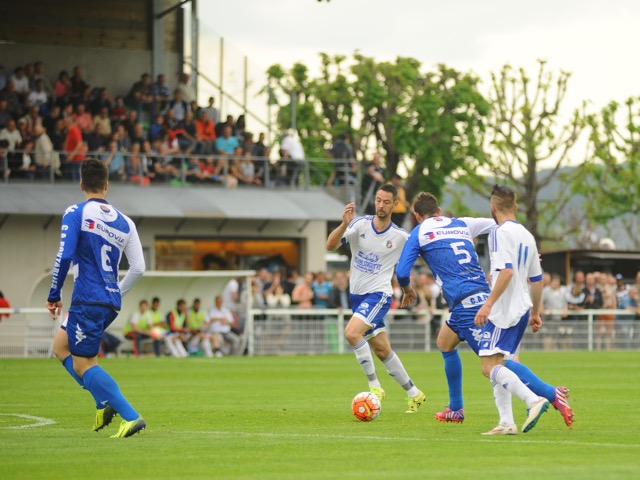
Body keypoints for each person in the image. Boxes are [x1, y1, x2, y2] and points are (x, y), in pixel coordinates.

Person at [396, 191, 573, 431]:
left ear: (417, 216)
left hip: (467, 302)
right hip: (477, 296)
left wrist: (407, 290)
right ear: (439, 211)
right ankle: (456, 408)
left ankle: (549, 393)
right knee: (445, 342)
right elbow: (499, 224)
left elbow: (402, 273)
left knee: (494, 364)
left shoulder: (419, 232)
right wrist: (526, 250)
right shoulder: (462, 223)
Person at [45, 158, 146, 438]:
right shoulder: (126, 222)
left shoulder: (76, 212)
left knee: (83, 364)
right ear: (106, 185)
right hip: (109, 300)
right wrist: (115, 291)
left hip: (88, 299)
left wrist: (54, 294)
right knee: (60, 346)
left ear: (81, 185)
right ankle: (103, 402)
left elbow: (65, 255)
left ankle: (130, 416)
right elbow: (139, 268)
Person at [326, 183, 426, 413]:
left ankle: (375, 386)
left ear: (395, 204)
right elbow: (330, 245)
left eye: (386, 202)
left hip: (378, 295)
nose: (381, 205)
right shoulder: (359, 224)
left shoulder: (401, 236)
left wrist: (408, 288)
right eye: (378, 200)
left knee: (352, 333)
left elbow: (421, 256)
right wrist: (344, 224)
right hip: (356, 297)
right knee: (382, 350)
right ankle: (414, 393)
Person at [472, 185, 557, 434]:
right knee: (499, 364)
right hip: (522, 308)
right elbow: (537, 280)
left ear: (493, 207)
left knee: (489, 367)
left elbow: (506, 272)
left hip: (503, 311)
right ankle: (506, 422)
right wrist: (535, 313)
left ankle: (533, 400)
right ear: (516, 207)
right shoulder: (528, 236)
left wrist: (488, 304)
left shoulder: (498, 233)